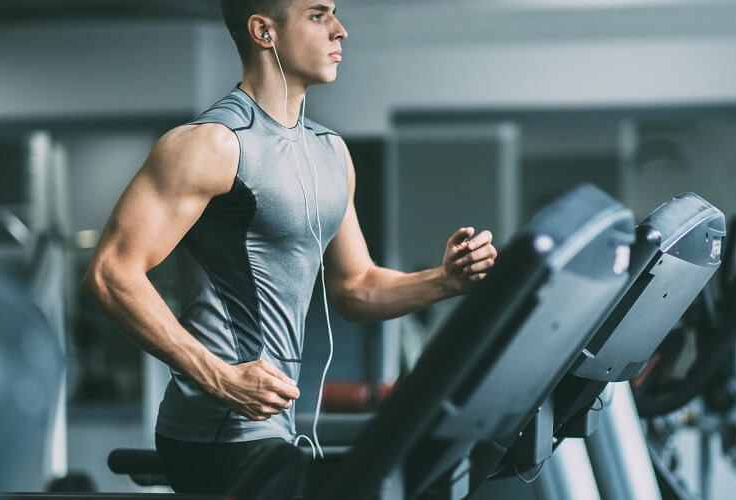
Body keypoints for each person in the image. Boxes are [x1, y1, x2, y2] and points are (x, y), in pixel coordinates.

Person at [81, 0, 498, 493]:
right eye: (319, 15)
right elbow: (110, 274)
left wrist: (445, 280)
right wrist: (219, 378)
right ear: (264, 31)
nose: (340, 31)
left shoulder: (330, 152)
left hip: (277, 425)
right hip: (217, 433)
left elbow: (354, 287)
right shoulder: (212, 145)